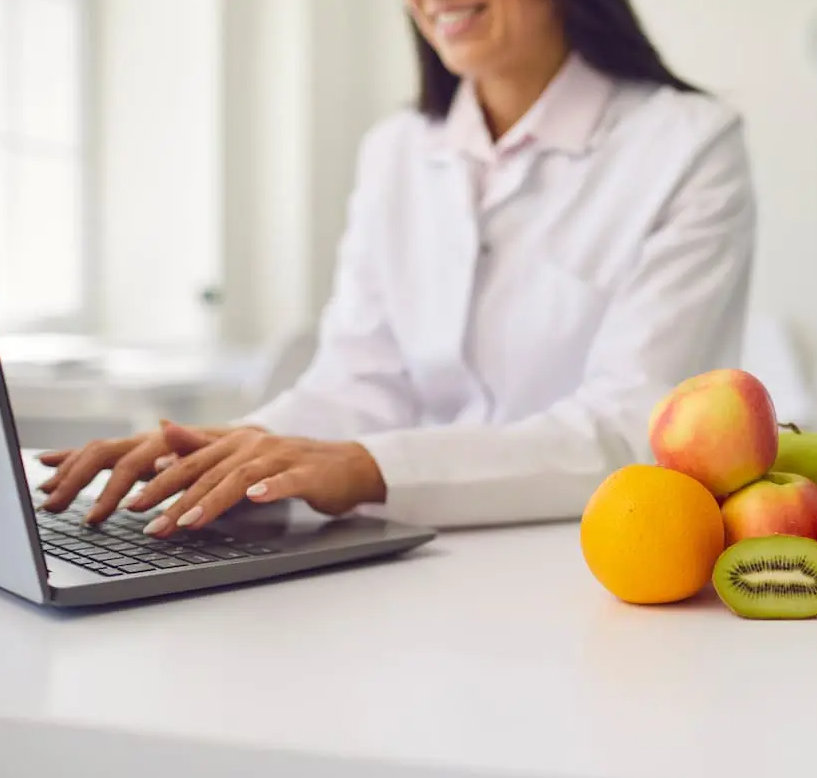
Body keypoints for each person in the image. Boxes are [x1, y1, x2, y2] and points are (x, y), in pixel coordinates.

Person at [37, 0, 756, 538]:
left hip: (586, 556)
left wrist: (371, 468)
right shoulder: (397, 151)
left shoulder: (687, 146)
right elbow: (358, 380)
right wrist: (229, 455)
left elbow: (630, 429)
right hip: (399, 554)